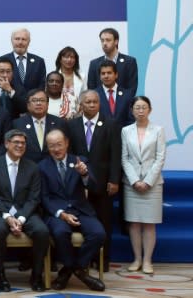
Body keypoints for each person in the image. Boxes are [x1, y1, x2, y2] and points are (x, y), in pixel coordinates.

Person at [39, 129, 106, 292]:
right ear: (47, 147)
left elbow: (95, 187)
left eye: (59, 144)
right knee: (60, 233)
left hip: (81, 210)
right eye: (52, 146)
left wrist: (85, 175)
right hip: (57, 213)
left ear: (67, 143)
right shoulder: (41, 167)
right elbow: (44, 197)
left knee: (98, 233)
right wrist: (61, 214)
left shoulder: (80, 161)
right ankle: (78, 271)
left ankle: (72, 269)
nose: (56, 149)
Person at [0, 129, 49, 292]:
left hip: (25, 212)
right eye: (16, 142)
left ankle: (36, 275)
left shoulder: (32, 167)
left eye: (23, 143)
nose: (20, 146)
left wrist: (20, 218)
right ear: (6, 144)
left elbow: (34, 198)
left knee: (42, 231)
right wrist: (7, 216)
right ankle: (0, 274)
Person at [68, 90, 121, 271]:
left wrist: (114, 180)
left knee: (104, 222)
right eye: (88, 102)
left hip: (104, 184)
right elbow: (70, 154)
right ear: (81, 105)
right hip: (79, 184)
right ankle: (83, 260)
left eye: (95, 102)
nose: (92, 105)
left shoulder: (111, 124)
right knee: (81, 222)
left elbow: (116, 155)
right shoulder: (72, 125)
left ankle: (102, 260)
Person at [121, 96, 166, 274]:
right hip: (131, 184)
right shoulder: (125, 131)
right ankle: (137, 259)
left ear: (150, 109)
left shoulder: (158, 130)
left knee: (149, 224)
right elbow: (125, 158)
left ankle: (148, 260)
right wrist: (135, 180)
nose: (140, 111)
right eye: (137, 107)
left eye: (144, 107)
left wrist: (147, 181)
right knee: (134, 223)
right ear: (132, 110)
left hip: (152, 184)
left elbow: (160, 157)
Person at [13, 89, 68, 162]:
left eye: (42, 100)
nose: (38, 103)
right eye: (34, 100)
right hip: (27, 168)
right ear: (28, 105)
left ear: (48, 104)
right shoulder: (17, 124)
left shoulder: (60, 123)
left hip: (53, 167)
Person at [86, 28, 139, 92]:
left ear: (116, 41)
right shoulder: (94, 64)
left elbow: (132, 88)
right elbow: (91, 89)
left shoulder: (129, 62)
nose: (104, 43)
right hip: (100, 101)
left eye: (108, 40)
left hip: (124, 101)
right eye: (102, 40)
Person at [96, 59, 135, 127]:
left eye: (109, 73)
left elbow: (131, 120)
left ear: (116, 75)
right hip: (100, 136)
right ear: (100, 76)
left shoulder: (127, 94)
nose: (106, 76)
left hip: (122, 135)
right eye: (103, 73)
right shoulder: (94, 94)